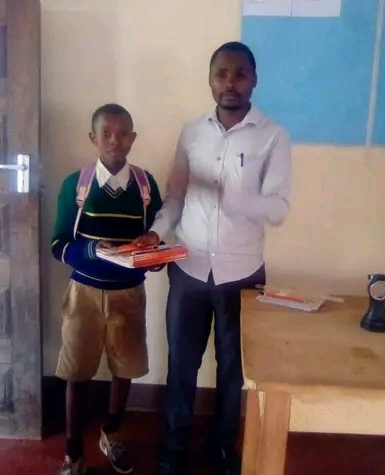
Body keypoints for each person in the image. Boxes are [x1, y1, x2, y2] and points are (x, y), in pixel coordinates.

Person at [134, 41, 292, 475]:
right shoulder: (192, 133)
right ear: (210, 79)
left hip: (242, 273)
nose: (230, 83)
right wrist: (156, 233)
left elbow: (278, 209)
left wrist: (231, 195)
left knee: (233, 371)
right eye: (221, 73)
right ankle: (173, 450)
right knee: (181, 367)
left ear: (254, 79)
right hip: (188, 267)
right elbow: (176, 197)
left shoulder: (273, 136)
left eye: (240, 74)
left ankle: (223, 449)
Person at [51, 103, 163, 475]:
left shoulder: (145, 186)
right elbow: (58, 245)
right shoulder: (76, 185)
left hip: (129, 295)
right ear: (93, 138)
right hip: (83, 294)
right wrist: (91, 250)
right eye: (106, 133)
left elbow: (156, 239)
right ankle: (73, 453)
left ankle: (112, 434)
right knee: (77, 372)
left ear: (133, 138)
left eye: (123, 133)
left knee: (124, 368)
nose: (115, 140)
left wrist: (155, 255)